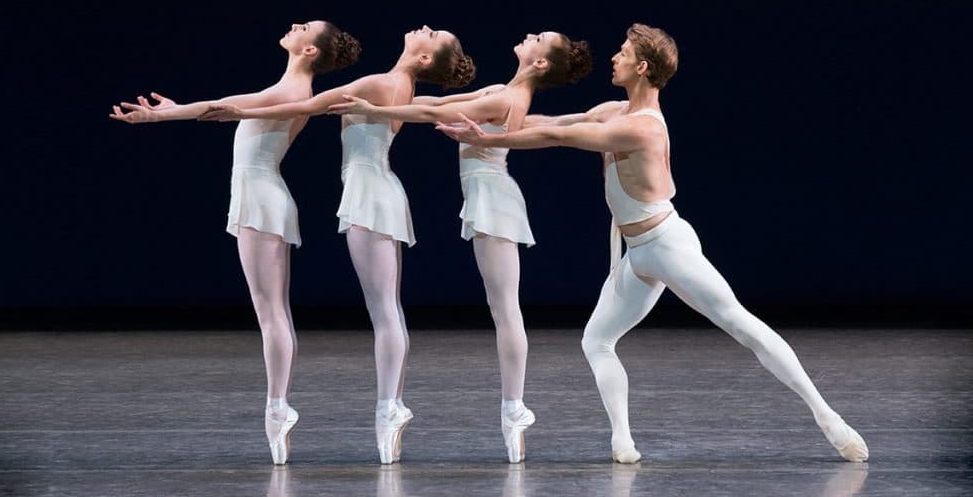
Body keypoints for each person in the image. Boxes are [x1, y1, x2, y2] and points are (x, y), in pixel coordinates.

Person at [437, 23, 869, 464]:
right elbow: (553, 121)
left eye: (623, 53)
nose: (614, 58)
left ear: (642, 67)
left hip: (668, 244)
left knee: (740, 324)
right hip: (637, 253)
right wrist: (494, 114)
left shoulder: (643, 128)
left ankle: (828, 417)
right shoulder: (614, 109)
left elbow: (558, 138)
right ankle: (622, 440)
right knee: (596, 341)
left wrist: (489, 139)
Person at [198, 25, 476, 463]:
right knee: (387, 309)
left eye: (432, 33)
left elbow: (308, 104)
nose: (423, 28)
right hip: (374, 191)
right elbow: (439, 103)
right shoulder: (395, 85)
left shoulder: (381, 84)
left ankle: (388, 408)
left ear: (425, 59)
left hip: (370, 195)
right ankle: (389, 406)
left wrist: (220, 111)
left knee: (384, 310)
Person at [326, 30, 591, 463]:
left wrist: (374, 108)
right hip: (487, 197)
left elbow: (433, 110)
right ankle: (512, 409)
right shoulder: (504, 92)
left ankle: (515, 407)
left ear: (541, 63)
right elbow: (435, 106)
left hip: (494, 200)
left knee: (505, 309)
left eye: (538, 38)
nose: (527, 36)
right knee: (502, 307)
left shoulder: (504, 99)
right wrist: (384, 104)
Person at [109, 21, 361, 464]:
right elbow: (224, 107)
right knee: (274, 312)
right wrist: (175, 108)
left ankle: (278, 407)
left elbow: (220, 107)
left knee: (271, 314)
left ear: (309, 51)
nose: (294, 26)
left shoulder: (290, 93)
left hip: (262, 202)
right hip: (263, 199)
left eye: (305, 28)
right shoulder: (288, 88)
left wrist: (160, 115)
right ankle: (279, 407)